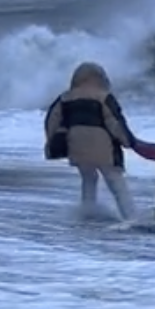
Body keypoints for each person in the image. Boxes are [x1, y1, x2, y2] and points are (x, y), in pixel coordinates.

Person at [43, 62, 138, 220]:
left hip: (77, 148)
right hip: (103, 149)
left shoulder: (65, 97)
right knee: (115, 181)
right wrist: (128, 141)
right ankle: (131, 217)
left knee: (88, 177)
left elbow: (51, 120)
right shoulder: (104, 97)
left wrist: (51, 142)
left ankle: (88, 212)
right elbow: (114, 123)